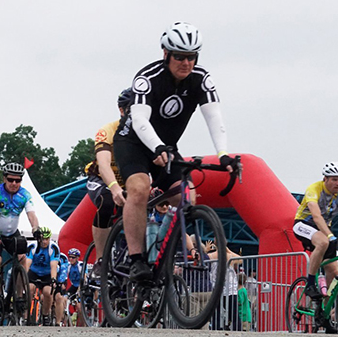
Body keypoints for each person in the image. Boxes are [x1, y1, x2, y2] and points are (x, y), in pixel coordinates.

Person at [113, 21, 238, 281]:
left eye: (192, 57)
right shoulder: (148, 78)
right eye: (180, 57)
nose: (186, 63)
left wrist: (224, 154)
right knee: (138, 188)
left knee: (188, 198)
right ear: (166, 54)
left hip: (167, 148)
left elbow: (214, 117)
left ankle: (163, 254)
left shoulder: (201, 79)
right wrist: (156, 146)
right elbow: (139, 120)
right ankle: (136, 259)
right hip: (134, 142)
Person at [85, 89, 130, 276]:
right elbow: (104, 166)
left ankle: (128, 255)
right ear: (122, 111)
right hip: (101, 179)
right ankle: (101, 258)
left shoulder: (145, 133)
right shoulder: (107, 131)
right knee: (106, 202)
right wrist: (113, 187)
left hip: (128, 181)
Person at [0, 162, 39, 311]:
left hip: (12, 233)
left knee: (22, 260)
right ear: (4, 179)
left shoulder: (25, 195)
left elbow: (31, 215)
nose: (14, 183)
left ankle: (19, 295)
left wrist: (36, 229)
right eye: (11, 180)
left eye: (18, 180)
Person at [293, 162, 338, 300]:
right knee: (323, 242)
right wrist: (330, 236)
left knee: (334, 272)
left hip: (324, 229)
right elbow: (316, 216)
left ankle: (324, 311)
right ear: (325, 179)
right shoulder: (314, 189)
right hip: (304, 224)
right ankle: (310, 283)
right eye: (334, 179)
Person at [25, 227, 60, 326]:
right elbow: (27, 263)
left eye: (46, 239)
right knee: (30, 289)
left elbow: (54, 266)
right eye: (42, 239)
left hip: (47, 273)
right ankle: (25, 316)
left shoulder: (53, 248)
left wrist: (53, 279)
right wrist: (25, 276)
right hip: (34, 271)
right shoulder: (32, 246)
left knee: (47, 292)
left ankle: (45, 315)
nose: (44, 242)